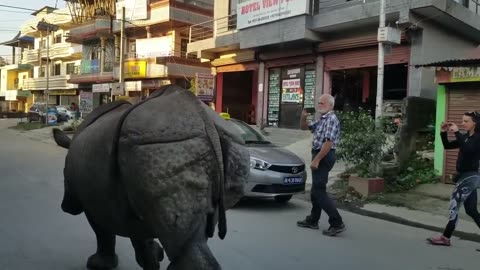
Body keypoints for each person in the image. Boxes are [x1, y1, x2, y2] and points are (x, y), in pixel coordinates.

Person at [427, 111, 480, 246]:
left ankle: (445, 237)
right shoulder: (467, 136)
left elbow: (468, 149)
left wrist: (456, 132)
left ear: (475, 123)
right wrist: (444, 132)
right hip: (465, 176)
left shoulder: (478, 138)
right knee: (471, 210)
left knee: (454, 207)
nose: (463, 123)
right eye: (462, 121)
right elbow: (448, 145)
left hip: (469, 176)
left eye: (466, 121)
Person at [297, 94, 346, 236]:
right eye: (318, 103)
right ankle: (313, 219)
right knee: (316, 189)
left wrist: (317, 159)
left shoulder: (331, 119)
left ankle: (337, 222)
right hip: (320, 154)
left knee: (319, 191)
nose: (319, 105)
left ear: (331, 105)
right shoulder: (322, 119)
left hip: (324, 155)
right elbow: (304, 128)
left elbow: (328, 143)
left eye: (322, 103)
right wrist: (304, 116)